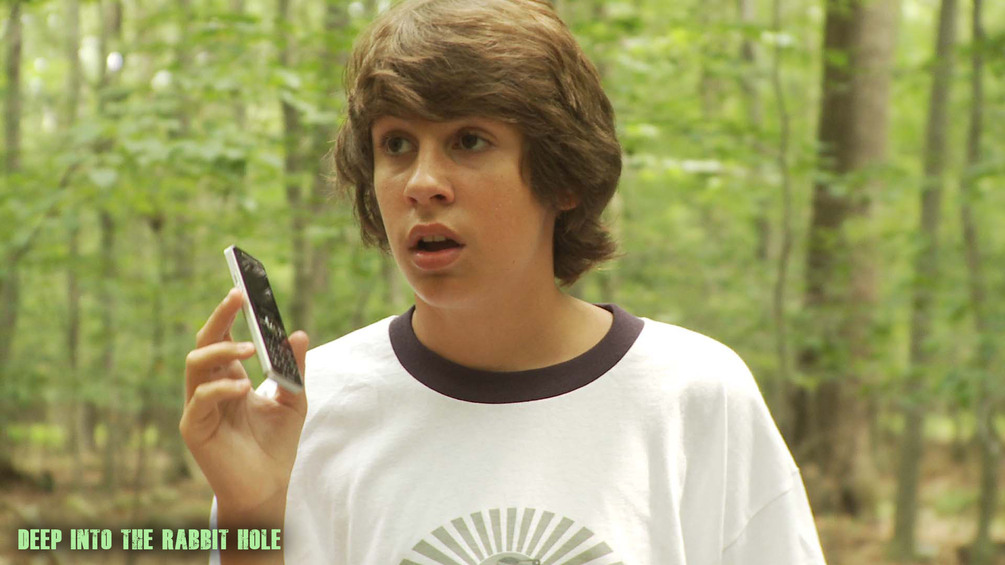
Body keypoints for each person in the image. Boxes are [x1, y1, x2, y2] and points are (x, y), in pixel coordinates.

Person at [180, 0, 828, 563]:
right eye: (396, 144)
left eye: (468, 141)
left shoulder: (692, 396)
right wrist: (252, 511)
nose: (421, 183)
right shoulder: (304, 412)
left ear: (562, 177)